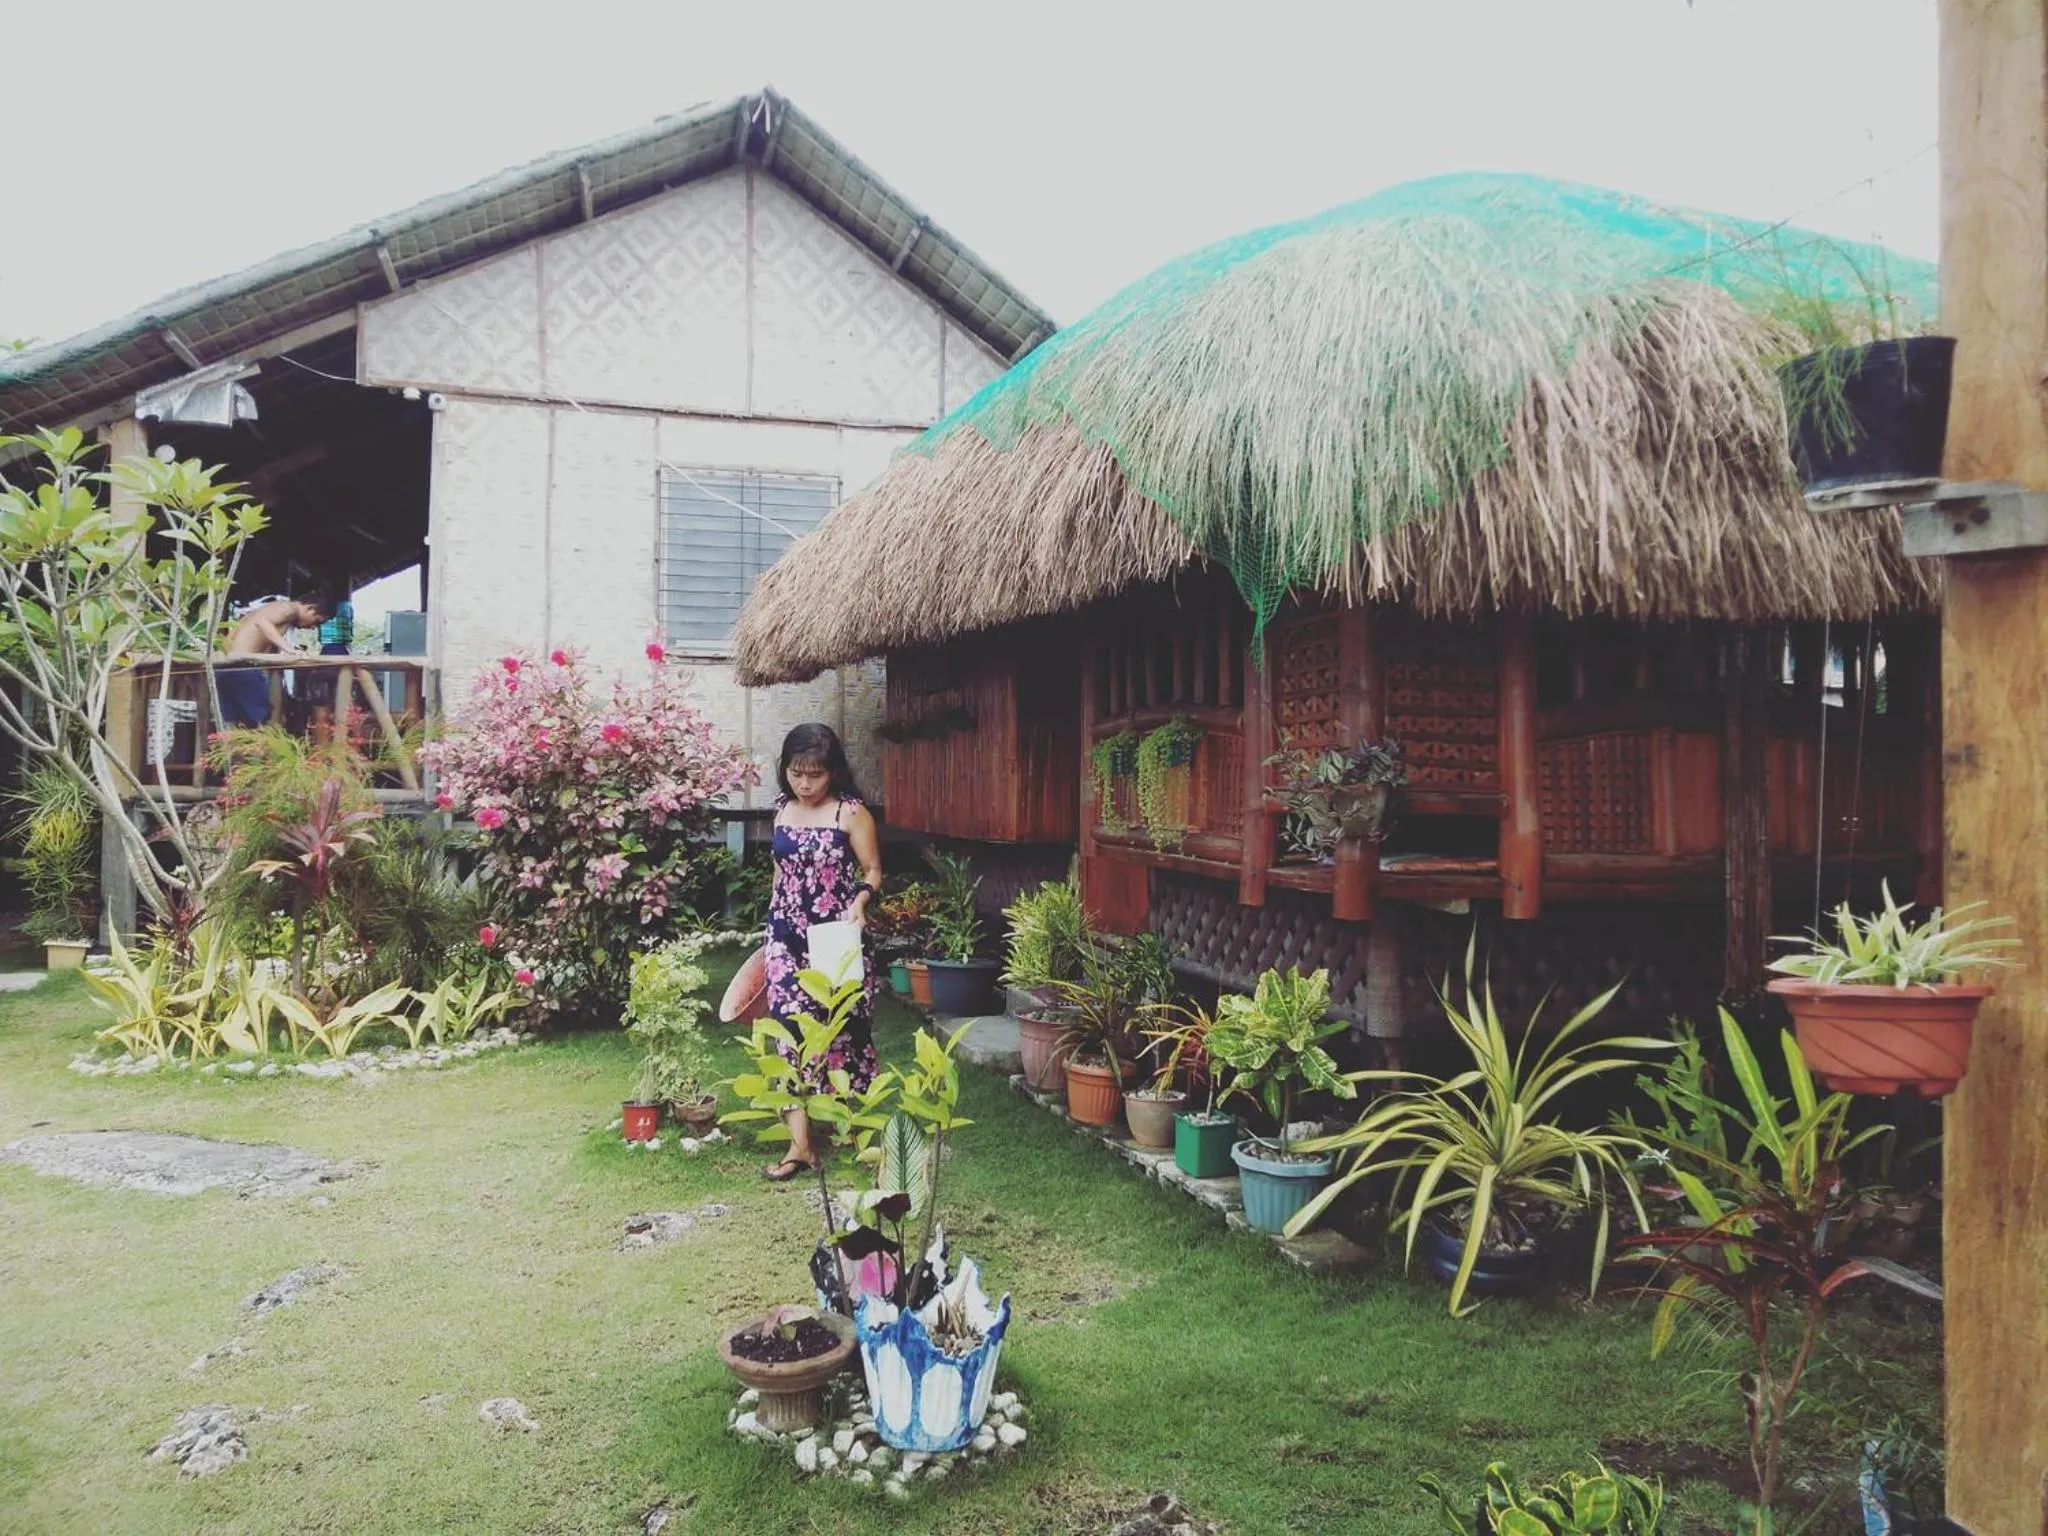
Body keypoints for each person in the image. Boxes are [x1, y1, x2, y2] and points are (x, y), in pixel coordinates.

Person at [761, 722, 884, 1182]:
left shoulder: (850, 813)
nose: (805, 784)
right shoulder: (780, 810)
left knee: (842, 1029)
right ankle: (800, 1145)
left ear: (832, 771)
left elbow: (872, 869)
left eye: (814, 774)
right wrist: (769, 933)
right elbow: (779, 875)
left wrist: (860, 900)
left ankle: (851, 1123)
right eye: (796, 773)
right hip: (785, 935)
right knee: (789, 1029)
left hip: (836, 936)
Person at [216, 593, 332, 729]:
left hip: (225, 668)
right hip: (243, 667)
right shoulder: (288, 608)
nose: (313, 628)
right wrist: (289, 649)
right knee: (263, 721)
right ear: (310, 609)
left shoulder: (267, 610)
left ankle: (230, 749)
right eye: (317, 622)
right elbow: (262, 623)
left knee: (233, 722)